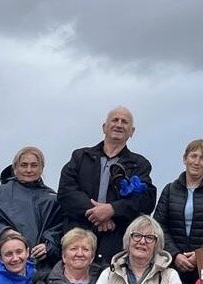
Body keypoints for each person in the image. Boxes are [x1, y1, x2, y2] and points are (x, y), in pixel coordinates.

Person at [58, 107, 156, 267]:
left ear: (132, 131)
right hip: (79, 240)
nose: (119, 124)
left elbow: (146, 201)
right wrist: (98, 214)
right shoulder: (80, 157)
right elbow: (66, 192)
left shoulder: (139, 164)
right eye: (115, 120)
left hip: (116, 243)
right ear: (104, 127)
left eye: (124, 122)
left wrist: (112, 210)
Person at [0, 146, 63, 277]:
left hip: (41, 271)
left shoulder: (52, 199)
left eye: (34, 165)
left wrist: (49, 245)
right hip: (6, 268)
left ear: (42, 168)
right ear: (15, 168)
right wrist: (3, 231)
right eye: (24, 165)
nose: (29, 170)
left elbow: (60, 229)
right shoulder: (0, 194)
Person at [153, 138, 203, 284]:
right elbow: (159, 226)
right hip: (173, 265)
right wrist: (174, 255)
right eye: (193, 156)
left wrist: (200, 254)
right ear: (185, 159)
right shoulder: (170, 190)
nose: (197, 162)